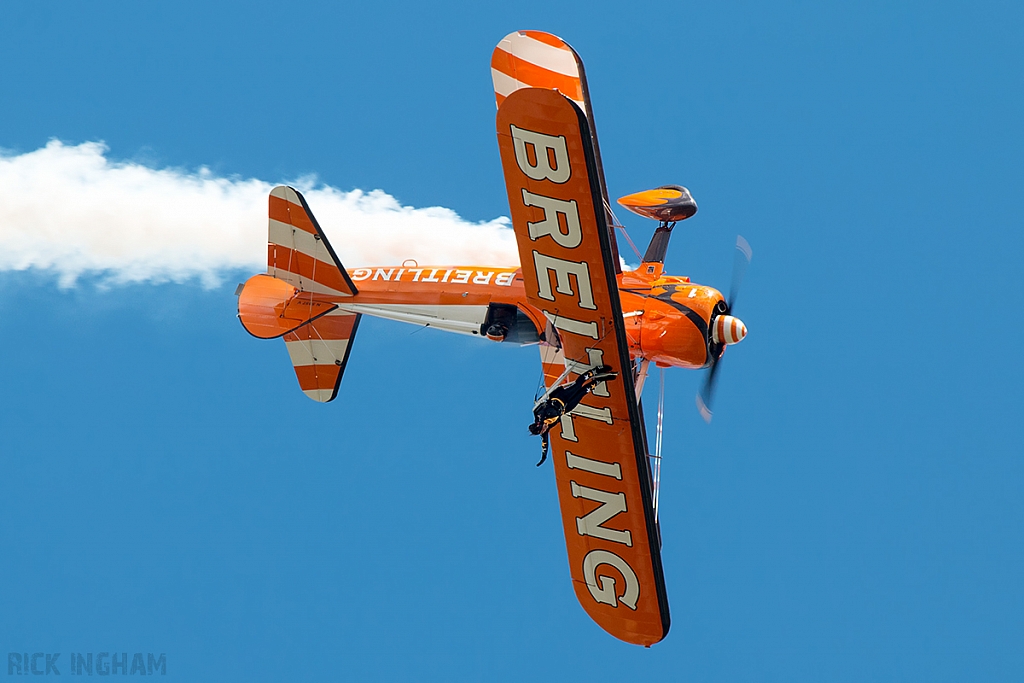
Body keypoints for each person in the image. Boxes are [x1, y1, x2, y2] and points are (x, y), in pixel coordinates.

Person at [529, 365, 618, 466]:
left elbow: (543, 407)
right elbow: (544, 445)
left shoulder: (539, 415)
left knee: (578, 384)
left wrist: (541, 421)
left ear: (538, 425)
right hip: (566, 407)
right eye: (543, 431)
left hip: (561, 397)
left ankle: (595, 370)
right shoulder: (544, 431)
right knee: (584, 391)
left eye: (542, 429)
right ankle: (600, 380)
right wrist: (543, 458)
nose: (545, 430)